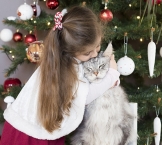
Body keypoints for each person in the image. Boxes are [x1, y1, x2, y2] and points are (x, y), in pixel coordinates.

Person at [0, 6, 120, 145]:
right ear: (70, 50)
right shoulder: (68, 68)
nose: (94, 54)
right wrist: (112, 75)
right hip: (32, 137)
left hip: (20, 127)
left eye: (98, 46)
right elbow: (85, 96)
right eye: (87, 53)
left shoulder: (57, 56)